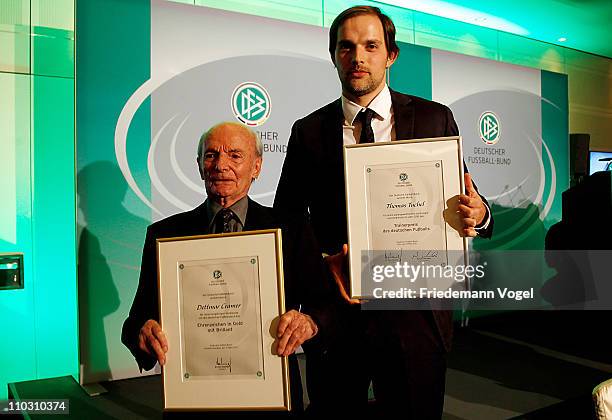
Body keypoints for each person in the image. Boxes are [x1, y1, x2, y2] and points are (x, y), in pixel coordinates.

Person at [274, 6, 493, 418]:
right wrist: (323, 265)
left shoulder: (434, 118)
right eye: (347, 47)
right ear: (334, 55)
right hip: (335, 317)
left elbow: (471, 202)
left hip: (417, 318)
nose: (358, 57)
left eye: (370, 46)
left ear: (389, 55)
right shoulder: (308, 131)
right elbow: (287, 221)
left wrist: (479, 215)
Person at [122, 122, 333, 415]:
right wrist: (142, 332)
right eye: (211, 155)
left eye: (235, 155)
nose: (221, 165)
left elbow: (324, 304)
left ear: (256, 166)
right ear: (199, 165)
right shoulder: (165, 235)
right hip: (194, 400)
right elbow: (135, 320)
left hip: (270, 395)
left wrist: (309, 321)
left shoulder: (292, 229)